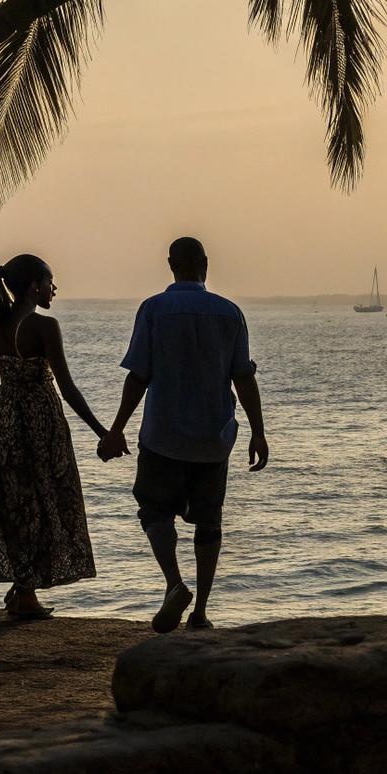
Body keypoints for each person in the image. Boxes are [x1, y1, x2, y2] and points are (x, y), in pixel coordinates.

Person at [101, 237, 268, 633]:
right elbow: (243, 378)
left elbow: (138, 376)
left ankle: (175, 584)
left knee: (154, 510)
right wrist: (258, 433)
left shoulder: (153, 309)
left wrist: (116, 429)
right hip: (213, 437)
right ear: (205, 263)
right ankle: (201, 613)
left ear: (170, 264)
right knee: (209, 522)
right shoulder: (229, 313)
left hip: (163, 435)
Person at [0, 254, 102, 620]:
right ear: (34, 287)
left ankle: (23, 587)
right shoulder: (44, 326)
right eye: (50, 282)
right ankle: (24, 594)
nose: (54, 288)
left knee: (15, 503)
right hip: (41, 424)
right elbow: (67, 388)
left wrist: (2, 409)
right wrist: (103, 432)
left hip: (3, 424)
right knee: (44, 500)